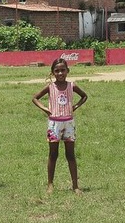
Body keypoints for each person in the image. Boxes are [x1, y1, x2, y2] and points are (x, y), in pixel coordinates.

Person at [32, 58, 88, 194]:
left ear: (68, 71)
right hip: (54, 124)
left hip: (68, 123)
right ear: (52, 73)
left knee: (70, 155)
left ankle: (75, 185)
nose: (60, 73)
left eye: (63, 70)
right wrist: (45, 109)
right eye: (56, 71)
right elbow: (35, 98)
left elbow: (84, 96)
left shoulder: (72, 86)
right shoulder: (50, 87)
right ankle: (50, 184)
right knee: (53, 154)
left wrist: (75, 107)